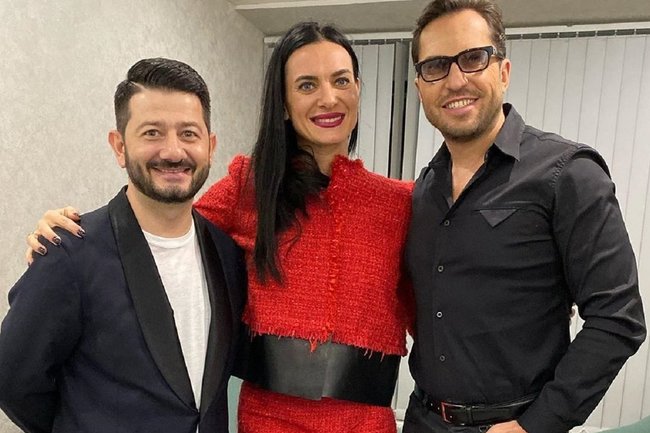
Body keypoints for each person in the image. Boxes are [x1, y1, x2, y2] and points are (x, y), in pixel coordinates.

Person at [21, 22, 413, 433]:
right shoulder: (250, 186)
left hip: (367, 423)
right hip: (268, 421)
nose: (328, 98)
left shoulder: (401, 203)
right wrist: (75, 231)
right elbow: (163, 227)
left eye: (341, 81)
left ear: (358, 89)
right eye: (306, 85)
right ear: (283, 103)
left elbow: (436, 310)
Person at [403, 1, 646, 433]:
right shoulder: (422, 191)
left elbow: (617, 318)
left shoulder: (568, 174)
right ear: (420, 87)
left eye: (473, 58)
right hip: (422, 420)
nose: (455, 80)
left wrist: (536, 425)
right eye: (436, 66)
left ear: (503, 71)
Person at [0, 58, 247, 433]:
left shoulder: (227, 254)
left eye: (188, 134)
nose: (173, 151)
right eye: (152, 133)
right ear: (119, 146)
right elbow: (12, 378)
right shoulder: (70, 252)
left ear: (210, 147)